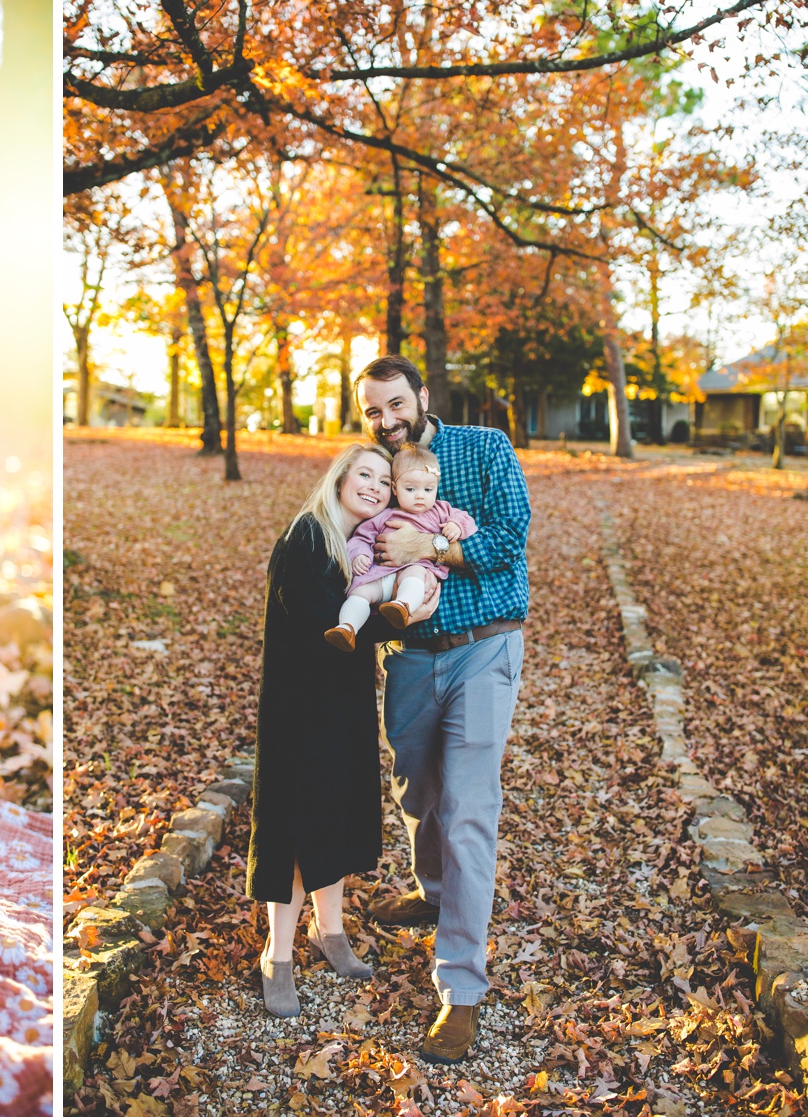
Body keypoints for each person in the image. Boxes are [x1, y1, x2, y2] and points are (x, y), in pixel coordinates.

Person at [354, 355, 530, 1064]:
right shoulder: (373, 468)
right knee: (418, 795)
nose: (387, 421)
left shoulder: (486, 447)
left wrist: (431, 544)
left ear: (422, 396)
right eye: (373, 411)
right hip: (408, 656)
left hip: (485, 648)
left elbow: (509, 539)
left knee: (467, 809)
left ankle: (460, 989)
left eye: (396, 404)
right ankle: (433, 892)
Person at [246, 443, 441, 1018]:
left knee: (331, 817)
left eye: (385, 481)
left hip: (342, 702)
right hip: (299, 709)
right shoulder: (307, 538)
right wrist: (401, 619)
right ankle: (276, 956)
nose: (376, 487)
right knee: (297, 826)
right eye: (365, 474)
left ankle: (329, 933)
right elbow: (320, 627)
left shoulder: (358, 546)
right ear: (339, 478)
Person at [325, 445, 477, 650]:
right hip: (381, 575)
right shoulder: (384, 515)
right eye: (411, 489)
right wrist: (360, 555)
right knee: (360, 591)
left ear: (436, 487)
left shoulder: (442, 511)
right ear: (396, 489)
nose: (420, 496)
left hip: (413, 577)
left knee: (415, 571)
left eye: (428, 489)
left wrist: (457, 526)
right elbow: (362, 538)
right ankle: (347, 627)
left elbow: (467, 520)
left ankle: (402, 606)